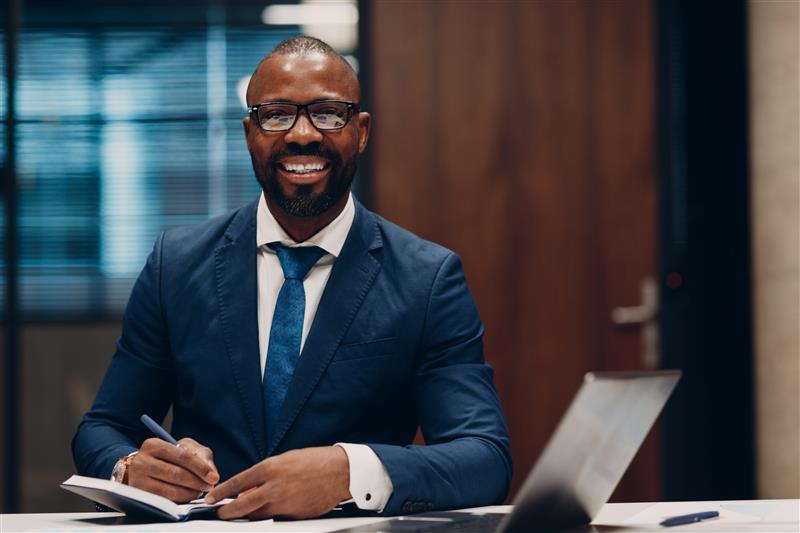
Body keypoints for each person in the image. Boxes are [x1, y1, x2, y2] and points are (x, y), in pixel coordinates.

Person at [72, 35, 511, 520]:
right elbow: (102, 429)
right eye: (277, 114)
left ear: (361, 131)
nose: (302, 134)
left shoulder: (427, 278)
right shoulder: (175, 264)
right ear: (249, 133)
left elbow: (484, 459)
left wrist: (349, 470)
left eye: (328, 113)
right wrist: (128, 467)